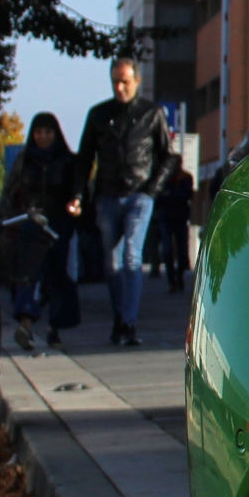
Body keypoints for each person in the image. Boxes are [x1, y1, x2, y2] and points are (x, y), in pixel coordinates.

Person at [78, 58, 176, 347]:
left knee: (132, 256)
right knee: (112, 263)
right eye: (115, 82)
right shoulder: (99, 115)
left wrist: (152, 190)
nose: (120, 87)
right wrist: (78, 194)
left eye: (125, 81)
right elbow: (85, 157)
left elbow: (168, 156)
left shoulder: (152, 112)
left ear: (137, 81)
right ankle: (120, 318)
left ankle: (129, 322)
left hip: (139, 194)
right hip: (108, 195)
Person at [2, 113, 81, 351]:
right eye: (38, 132)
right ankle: (25, 325)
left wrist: (75, 205)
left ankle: (54, 327)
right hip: (31, 221)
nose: (43, 137)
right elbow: (9, 191)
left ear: (55, 134)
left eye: (48, 132)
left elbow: (78, 190)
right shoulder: (24, 159)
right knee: (29, 274)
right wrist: (11, 217)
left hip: (59, 223)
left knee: (58, 275)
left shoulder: (67, 160)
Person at [155, 163, 195, 293]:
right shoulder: (162, 178)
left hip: (180, 217)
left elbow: (187, 195)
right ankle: (171, 281)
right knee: (167, 250)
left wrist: (169, 195)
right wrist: (172, 196)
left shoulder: (186, 177)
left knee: (182, 250)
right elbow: (157, 196)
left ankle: (180, 276)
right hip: (165, 217)